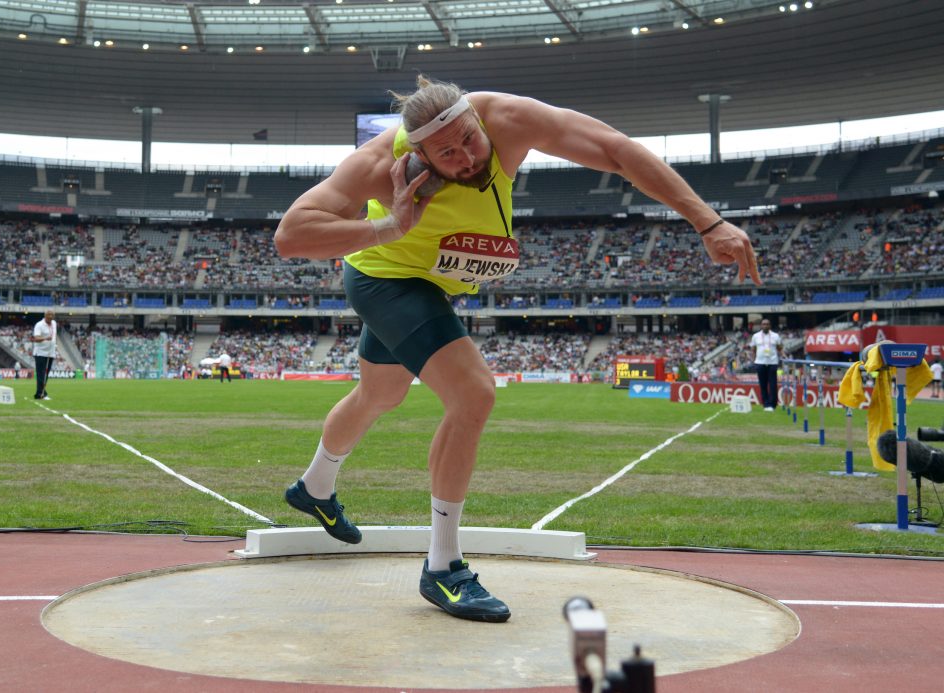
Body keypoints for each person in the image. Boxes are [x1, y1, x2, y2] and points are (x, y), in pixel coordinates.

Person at [273, 75, 761, 624]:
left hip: (432, 281)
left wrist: (707, 220)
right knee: (474, 395)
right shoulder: (376, 162)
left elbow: (615, 150)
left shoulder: (508, 119)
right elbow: (291, 235)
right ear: (420, 155)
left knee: (378, 394)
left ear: (478, 122)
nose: (466, 157)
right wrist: (389, 225)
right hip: (385, 278)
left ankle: (314, 486)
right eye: (447, 154)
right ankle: (443, 567)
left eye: (469, 140)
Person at [749, 318, 783, 411]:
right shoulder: (755, 336)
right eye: (763, 324)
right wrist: (753, 359)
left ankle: (773, 405)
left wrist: (784, 356)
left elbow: (780, 348)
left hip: (772, 362)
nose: (765, 326)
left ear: (770, 325)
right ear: (761, 325)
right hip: (760, 362)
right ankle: (766, 404)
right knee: (763, 384)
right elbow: (753, 349)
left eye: (767, 324)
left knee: (773, 384)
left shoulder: (776, 336)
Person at [31, 310, 57, 400]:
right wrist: (46, 338)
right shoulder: (39, 325)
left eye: (52, 315)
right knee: (41, 374)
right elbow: (36, 338)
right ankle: (41, 394)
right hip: (40, 353)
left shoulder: (54, 323)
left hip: (51, 353)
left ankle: (40, 393)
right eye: (49, 315)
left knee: (46, 374)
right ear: (45, 315)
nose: (51, 316)